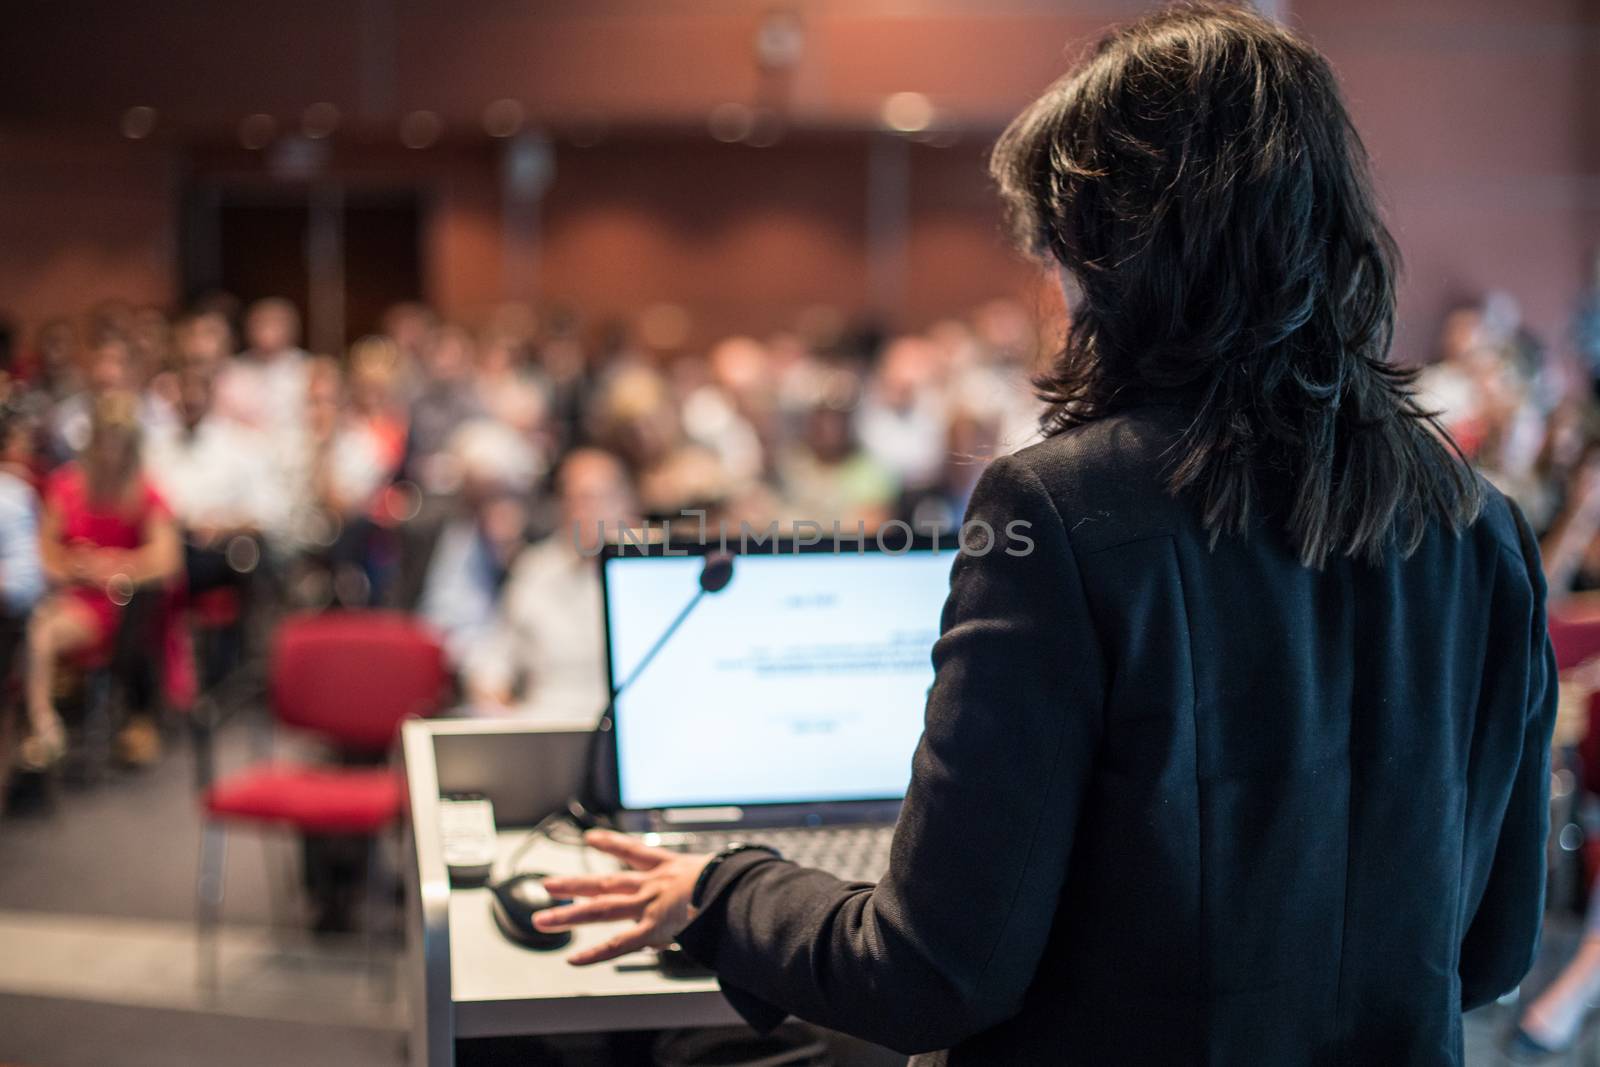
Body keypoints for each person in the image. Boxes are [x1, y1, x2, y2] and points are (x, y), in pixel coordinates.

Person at [533, 7, 1556, 1065]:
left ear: (1115, 258)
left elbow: (930, 972)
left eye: (1062, 250)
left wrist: (719, 886)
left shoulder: (1058, 512)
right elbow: (1487, 951)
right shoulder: (1483, 525)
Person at [23, 391, 181, 769]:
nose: (110, 451)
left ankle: (44, 726)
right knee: (36, 626)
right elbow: (45, 552)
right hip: (71, 593)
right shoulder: (66, 486)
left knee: (41, 632)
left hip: (117, 602)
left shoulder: (145, 492)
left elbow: (166, 560)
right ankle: (42, 719)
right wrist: (75, 566)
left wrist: (116, 565)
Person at [465, 448, 637, 717]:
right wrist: (492, 698)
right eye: (574, 498)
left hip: (625, 722)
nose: (585, 510)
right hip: (544, 723)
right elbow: (494, 661)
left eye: (595, 498)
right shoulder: (535, 569)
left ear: (625, 503)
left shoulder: (648, 573)